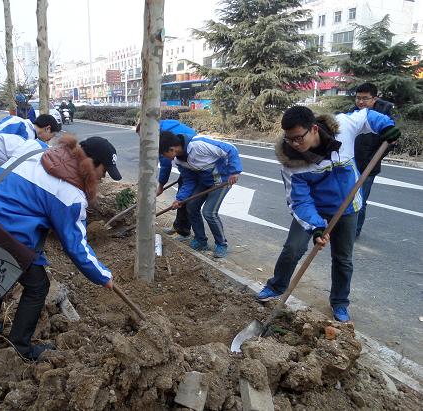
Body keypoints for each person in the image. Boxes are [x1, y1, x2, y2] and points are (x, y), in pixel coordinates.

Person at [0, 134, 122, 360]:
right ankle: (21, 348)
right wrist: (103, 276)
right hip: (6, 233)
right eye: (104, 171)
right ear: (91, 163)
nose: (103, 178)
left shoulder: (35, 148)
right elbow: (76, 246)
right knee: (38, 286)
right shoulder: (69, 194)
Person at [257, 106, 400, 322]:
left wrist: (386, 126)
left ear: (314, 129)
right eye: (289, 139)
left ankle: (340, 302)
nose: (294, 144)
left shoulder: (342, 128)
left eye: (298, 138)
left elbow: (365, 115)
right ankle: (277, 286)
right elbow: (300, 201)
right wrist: (316, 226)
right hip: (314, 207)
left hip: (347, 206)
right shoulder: (291, 163)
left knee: (343, 258)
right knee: (293, 248)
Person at [160, 132, 242, 258]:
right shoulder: (179, 161)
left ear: (171, 149)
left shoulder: (198, 145)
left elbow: (230, 149)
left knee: (209, 212)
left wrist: (235, 171)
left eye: (164, 154)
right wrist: (180, 199)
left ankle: (221, 244)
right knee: (191, 206)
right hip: (204, 181)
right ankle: (201, 241)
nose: (165, 158)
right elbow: (189, 180)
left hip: (221, 181)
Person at [350, 83, 394, 237]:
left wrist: (372, 159)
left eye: (365, 98)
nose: (360, 102)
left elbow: (390, 141)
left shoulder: (383, 116)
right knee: (347, 198)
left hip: (369, 165)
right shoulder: (353, 113)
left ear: (374, 99)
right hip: (351, 164)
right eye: (358, 98)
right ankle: (345, 229)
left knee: (360, 201)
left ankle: (355, 231)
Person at [0, 114, 59, 187]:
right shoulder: (19, 122)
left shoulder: (33, 141)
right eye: (53, 135)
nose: (50, 139)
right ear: (48, 129)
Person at [155, 120, 197, 240]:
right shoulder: (161, 126)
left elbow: (165, 164)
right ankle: (177, 226)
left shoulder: (163, 139)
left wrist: (161, 186)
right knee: (181, 193)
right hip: (186, 161)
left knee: (185, 197)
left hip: (193, 161)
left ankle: (184, 232)